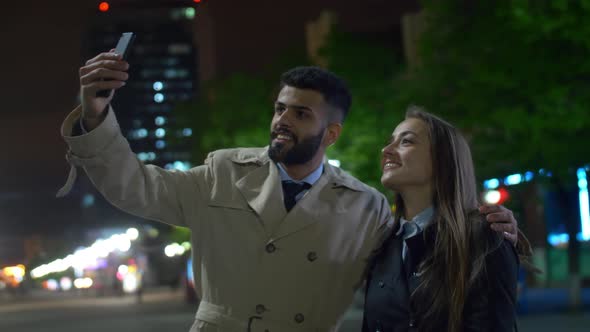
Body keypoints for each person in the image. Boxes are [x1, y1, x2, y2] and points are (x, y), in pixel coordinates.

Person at [57, 51, 520, 331]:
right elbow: (133, 185)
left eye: (301, 114)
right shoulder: (222, 171)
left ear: (331, 134)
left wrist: (489, 224)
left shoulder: (369, 206)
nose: (282, 120)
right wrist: (95, 113)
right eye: (280, 108)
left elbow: (426, 252)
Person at [363, 107, 520, 332]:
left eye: (406, 142)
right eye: (390, 141)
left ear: (442, 159)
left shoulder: (483, 238)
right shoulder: (384, 244)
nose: (386, 150)